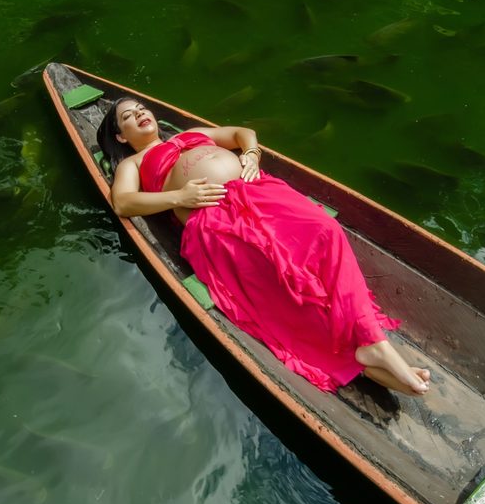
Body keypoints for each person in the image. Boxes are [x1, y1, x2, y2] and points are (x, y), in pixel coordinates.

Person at [96, 98, 430, 397]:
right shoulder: (133, 164)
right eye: (128, 115)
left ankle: (372, 343)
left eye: (141, 107)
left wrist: (252, 154)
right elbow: (123, 202)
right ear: (122, 136)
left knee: (326, 229)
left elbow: (243, 133)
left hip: (256, 192)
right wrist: (178, 198)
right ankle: (369, 353)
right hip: (212, 220)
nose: (140, 112)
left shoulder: (191, 133)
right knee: (273, 276)